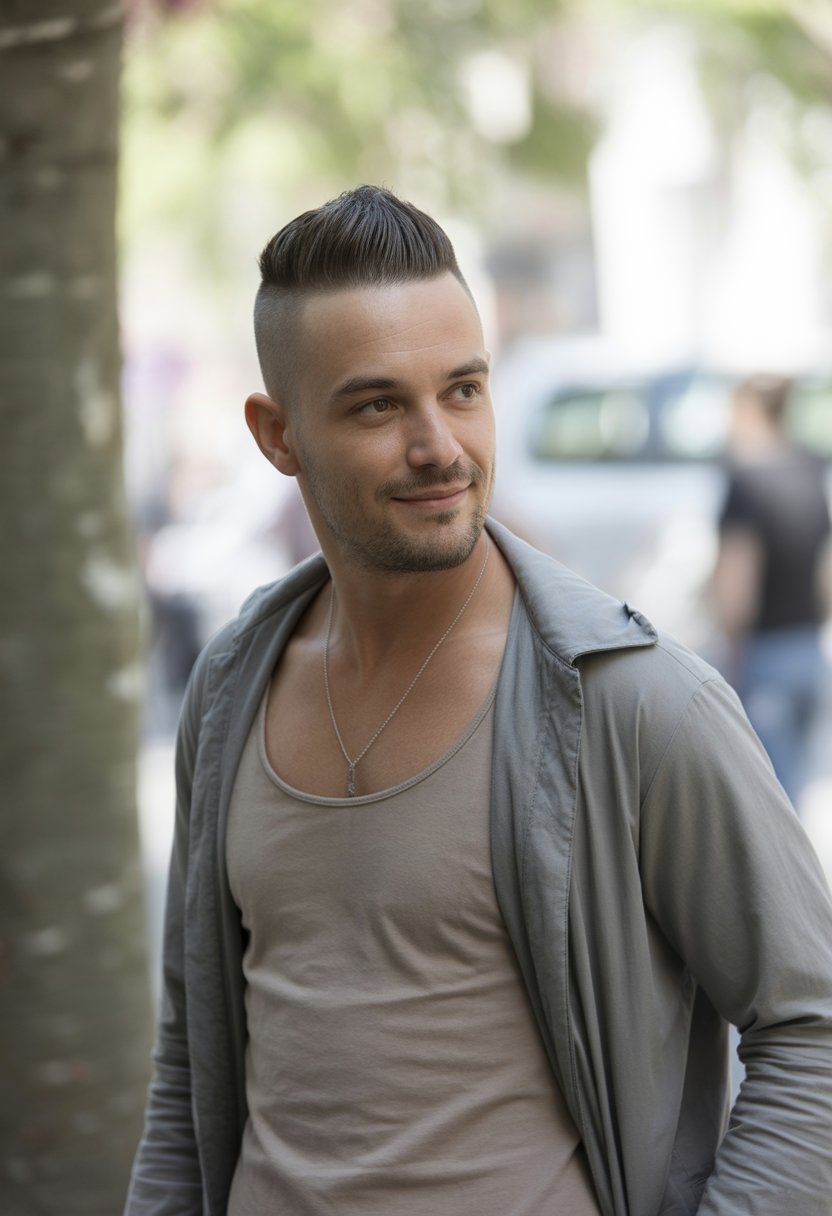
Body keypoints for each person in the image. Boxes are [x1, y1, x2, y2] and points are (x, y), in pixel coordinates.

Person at [125, 187, 832, 1216]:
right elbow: (189, 1066)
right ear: (277, 436)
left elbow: (807, 1024)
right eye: (378, 405)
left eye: (462, 389)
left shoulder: (632, 702)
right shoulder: (230, 690)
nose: (441, 446)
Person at [713, 374, 832, 808]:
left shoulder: (745, 481)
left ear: (748, 410)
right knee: (795, 782)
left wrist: (730, 646)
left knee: (772, 798)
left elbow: (735, 579)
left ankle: (792, 880)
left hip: (766, 654)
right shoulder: (812, 468)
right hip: (808, 646)